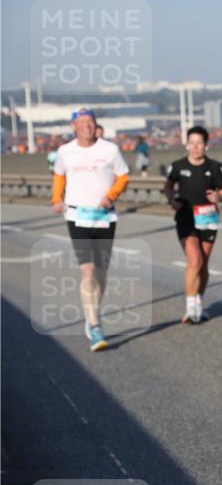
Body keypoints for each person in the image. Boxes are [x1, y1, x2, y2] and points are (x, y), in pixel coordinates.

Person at [50, 108, 130, 352]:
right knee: (88, 271)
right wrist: (56, 198)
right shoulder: (65, 151)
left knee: (101, 273)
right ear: (73, 126)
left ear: (96, 125)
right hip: (77, 215)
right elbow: (59, 176)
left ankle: (91, 311)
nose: (86, 125)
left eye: (90, 121)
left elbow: (123, 176)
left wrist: (111, 196)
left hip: (105, 216)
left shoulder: (110, 150)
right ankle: (95, 326)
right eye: (81, 122)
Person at [163, 126, 222, 324]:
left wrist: (219, 196)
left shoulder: (216, 167)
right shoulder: (177, 166)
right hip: (185, 217)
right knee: (195, 261)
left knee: (203, 264)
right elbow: (168, 186)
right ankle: (191, 306)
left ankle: (199, 300)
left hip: (208, 219)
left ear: (206, 145)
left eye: (199, 143)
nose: (195, 147)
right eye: (192, 143)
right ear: (187, 144)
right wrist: (171, 199)